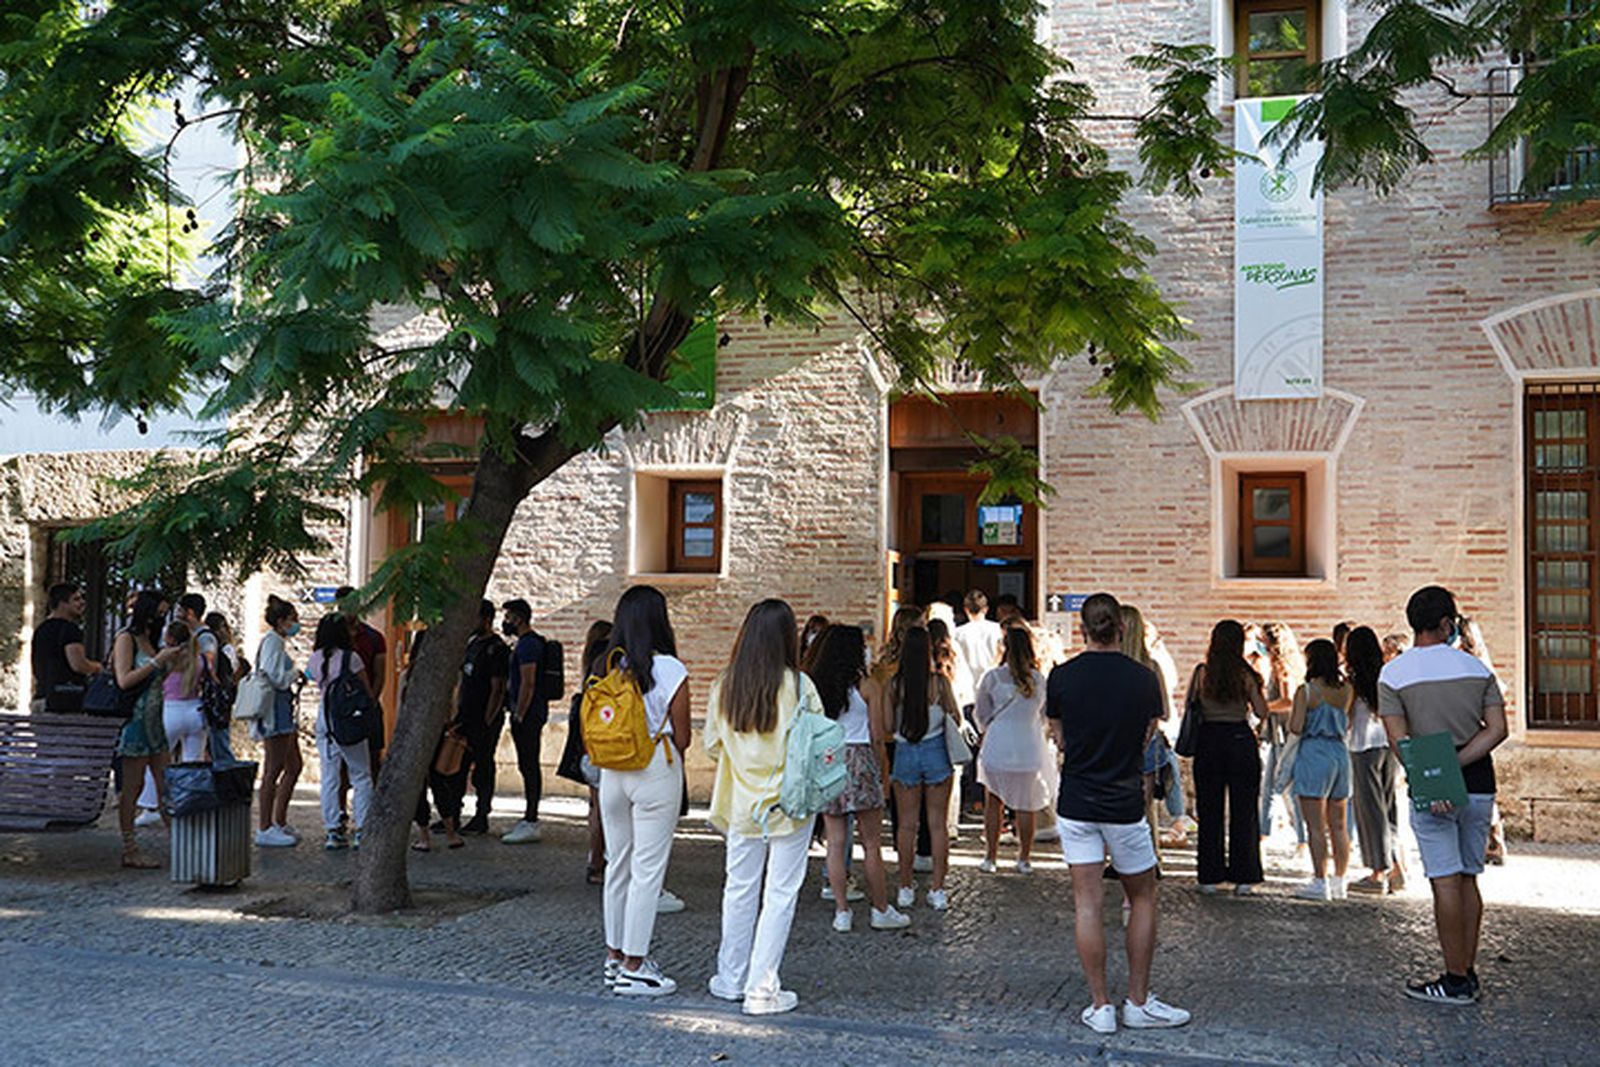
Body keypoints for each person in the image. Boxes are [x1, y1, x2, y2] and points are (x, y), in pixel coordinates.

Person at [1047, 593, 1190, 1034]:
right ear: (1123, 629)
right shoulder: (1143, 679)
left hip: (1077, 800)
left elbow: (1060, 739)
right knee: (1143, 897)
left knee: (1086, 904)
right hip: (1125, 800)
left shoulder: (1062, 677)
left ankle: (1101, 1005)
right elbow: (1149, 734)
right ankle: (1139, 1001)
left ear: (1082, 630)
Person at [1381, 586, 1508, 1004]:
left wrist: (1436, 775)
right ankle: (1467, 971)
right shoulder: (1477, 670)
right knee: (1470, 876)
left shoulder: (1394, 674)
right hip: (1478, 782)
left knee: (1444, 881)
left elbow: (1399, 740)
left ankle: (1454, 981)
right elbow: (1497, 730)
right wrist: (1460, 763)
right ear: (1447, 623)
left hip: (1430, 780)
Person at [705, 599, 822, 1015]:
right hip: (792, 805)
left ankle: (731, 978)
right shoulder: (800, 686)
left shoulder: (724, 685)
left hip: (741, 802)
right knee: (780, 894)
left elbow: (711, 746)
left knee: (738, 890)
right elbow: (817, 747)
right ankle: (762, 988)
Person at [601, 585, 691, 997]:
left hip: (612, 771)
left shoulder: (609, 665)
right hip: (655, 765)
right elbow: (685, 735)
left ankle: (615, 958)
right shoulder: (670, 668)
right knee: (647, 871)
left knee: (617, 865)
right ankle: (636, 966)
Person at [808, 624, 910, 933]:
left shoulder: (817, 686)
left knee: (835, 843)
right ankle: (880, 909)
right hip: (861, 758)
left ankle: (842, 911)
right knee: (872, 844)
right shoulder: (868, 686)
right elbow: (878, 736)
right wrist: (883, 773)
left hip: (828, 760)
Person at [419, 600, 509, 852]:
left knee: (482, 766)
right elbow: (461, 682)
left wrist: (488, 720)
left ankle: (481, 815)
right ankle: (453, 815)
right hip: (464, 717)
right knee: (454, 768)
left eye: (474, 618)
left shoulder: (496, 649)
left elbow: (498, 687)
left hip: (482, 719)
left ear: (486, 619)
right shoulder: (471, 645)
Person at [1188, 620, 1270, 894]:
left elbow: (1191, 705)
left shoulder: (1203, 673)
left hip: (1209, 740)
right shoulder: (1246, 674)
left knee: (1209, 810)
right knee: (1244, 810)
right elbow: (1262, 712)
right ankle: (1244, 877)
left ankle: (1210, 877)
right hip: (1239, 740)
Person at [884, 625, 962, 911]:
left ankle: (905, 887)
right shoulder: (940, 683)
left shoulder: (894, 685)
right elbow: (955, 716)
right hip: (936, 753)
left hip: (905, 752)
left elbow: (886, 726)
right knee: (938, 825)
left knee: (906, 826)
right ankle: (938, 890)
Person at [975, 622, 1056, 873]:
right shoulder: (1039, 680)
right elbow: (1044, 716)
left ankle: (991, 857)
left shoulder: (992, 678)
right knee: (1026, 804)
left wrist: (986, 729)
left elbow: (981, 713)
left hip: (999, 743)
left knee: (993, 802)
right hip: (1028, 746)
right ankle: (1024, 858)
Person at [112, 590, 183, 868]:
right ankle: (129, 847)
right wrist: (158, 661)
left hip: (156, 721)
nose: (162, 618)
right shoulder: (126, 638)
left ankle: (179, 841)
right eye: (160, 612)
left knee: (166, 784)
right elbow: (124, 679)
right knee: (133, 786)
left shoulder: (151, 640)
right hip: (136, 721)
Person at [1288, 638, 1355, 901]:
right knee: (1339, 825)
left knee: (1315, 826)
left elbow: (1295, 726)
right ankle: (1340, 880)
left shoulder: (1306, 691)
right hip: (1340, 753)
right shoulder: (1347, 690)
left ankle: (1319, 881)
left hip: (1314, 753)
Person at [1345, 626, 1405, 894]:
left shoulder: (1353, 681)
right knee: (1389, 807)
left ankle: (1379, 872)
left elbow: (1346, 716)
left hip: (1362, 746)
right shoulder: (1387, 675)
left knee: (1369, 810)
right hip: (1388, 745)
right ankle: (1396, 866)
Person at [308, 614, 375, 849]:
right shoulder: (351, 658)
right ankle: (362, 828)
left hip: (324, 719)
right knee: (361, 775)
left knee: (330, 776)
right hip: (347, 719)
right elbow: (365, 689)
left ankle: (333, 829)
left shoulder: (315, 659)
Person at [558, 620, 612, 884]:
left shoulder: (589, 670)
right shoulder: (610, 666)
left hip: (589, 751)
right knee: (603, 810)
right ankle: (600, 862)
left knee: (595, 808)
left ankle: (595, 858)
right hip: (606, 749)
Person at [1120, 605, 1173, 862]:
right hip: (1147, 742)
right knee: (1145, 806)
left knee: (1117, 803)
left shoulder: (1111, 667)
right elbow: (1165, 711)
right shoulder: (1151, 666)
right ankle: (1149, 858)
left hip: (1114, 741)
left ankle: (1120, 857)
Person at [1457, 617, 1509, 866]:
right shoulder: (1479, 665)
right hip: (1481, 737)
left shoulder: (1470, 666)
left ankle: (1495, 840)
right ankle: (1495, 840)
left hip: (1470, 735)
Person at [254, 596, 303, 847]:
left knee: (294, 765)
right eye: (293, 619)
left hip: (282, 709)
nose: (297, 624)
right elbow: (275, 677)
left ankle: (279, 820)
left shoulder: (277, 642)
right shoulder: (273, 642)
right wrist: (296, 672)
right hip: (275, 711)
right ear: (282, 621)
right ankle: (264, 826)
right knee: (273, 768)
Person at [501, 598, 549, 844]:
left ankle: (532, 820)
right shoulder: (525, 643)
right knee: (526, 764)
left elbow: (528, 683)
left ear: (519, 618)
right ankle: (529, 817)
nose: (506, 622)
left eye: (508, 617)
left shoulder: (528, 646)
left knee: (529, 764)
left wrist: (519, 713)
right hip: (529, 713)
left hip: (529, 715)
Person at [1258, 622, 1308, 851]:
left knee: (1273, 785)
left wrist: (1264, 707)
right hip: (1287, 732)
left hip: (1283, 732)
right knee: (1289, 786)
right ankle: (1301, 837)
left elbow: (1287, 701)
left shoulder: (1282, 669)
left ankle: (1266, 834)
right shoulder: (1293, 665)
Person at [31, 582, 101, 712]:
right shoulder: (70, 629)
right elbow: (78, 665)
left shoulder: (41, 629)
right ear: (62, 603)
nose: (82, 603)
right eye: (76, 599)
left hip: (41, 697)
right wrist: (97, 667)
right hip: (65, 701)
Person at [158, 621, 209, 769]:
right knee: (194, 763)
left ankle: (155, 792)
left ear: (171, 639)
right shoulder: (199, 660)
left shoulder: (166, 660)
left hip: (170, 710)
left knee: (158, 762)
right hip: (196, 711)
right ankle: (190, 791)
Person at [202, 610, 244, 761]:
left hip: (218, 700)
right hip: (222, 700)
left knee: (218, 744)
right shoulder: (226, 649)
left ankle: (229, 777)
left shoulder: (225, 650)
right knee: (216, 743)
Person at [952, 590, 1003, 701]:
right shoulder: (998, 630)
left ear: (965, 610)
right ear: (986, 609)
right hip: (994, 682)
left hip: (967, 686)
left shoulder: (957, 633)